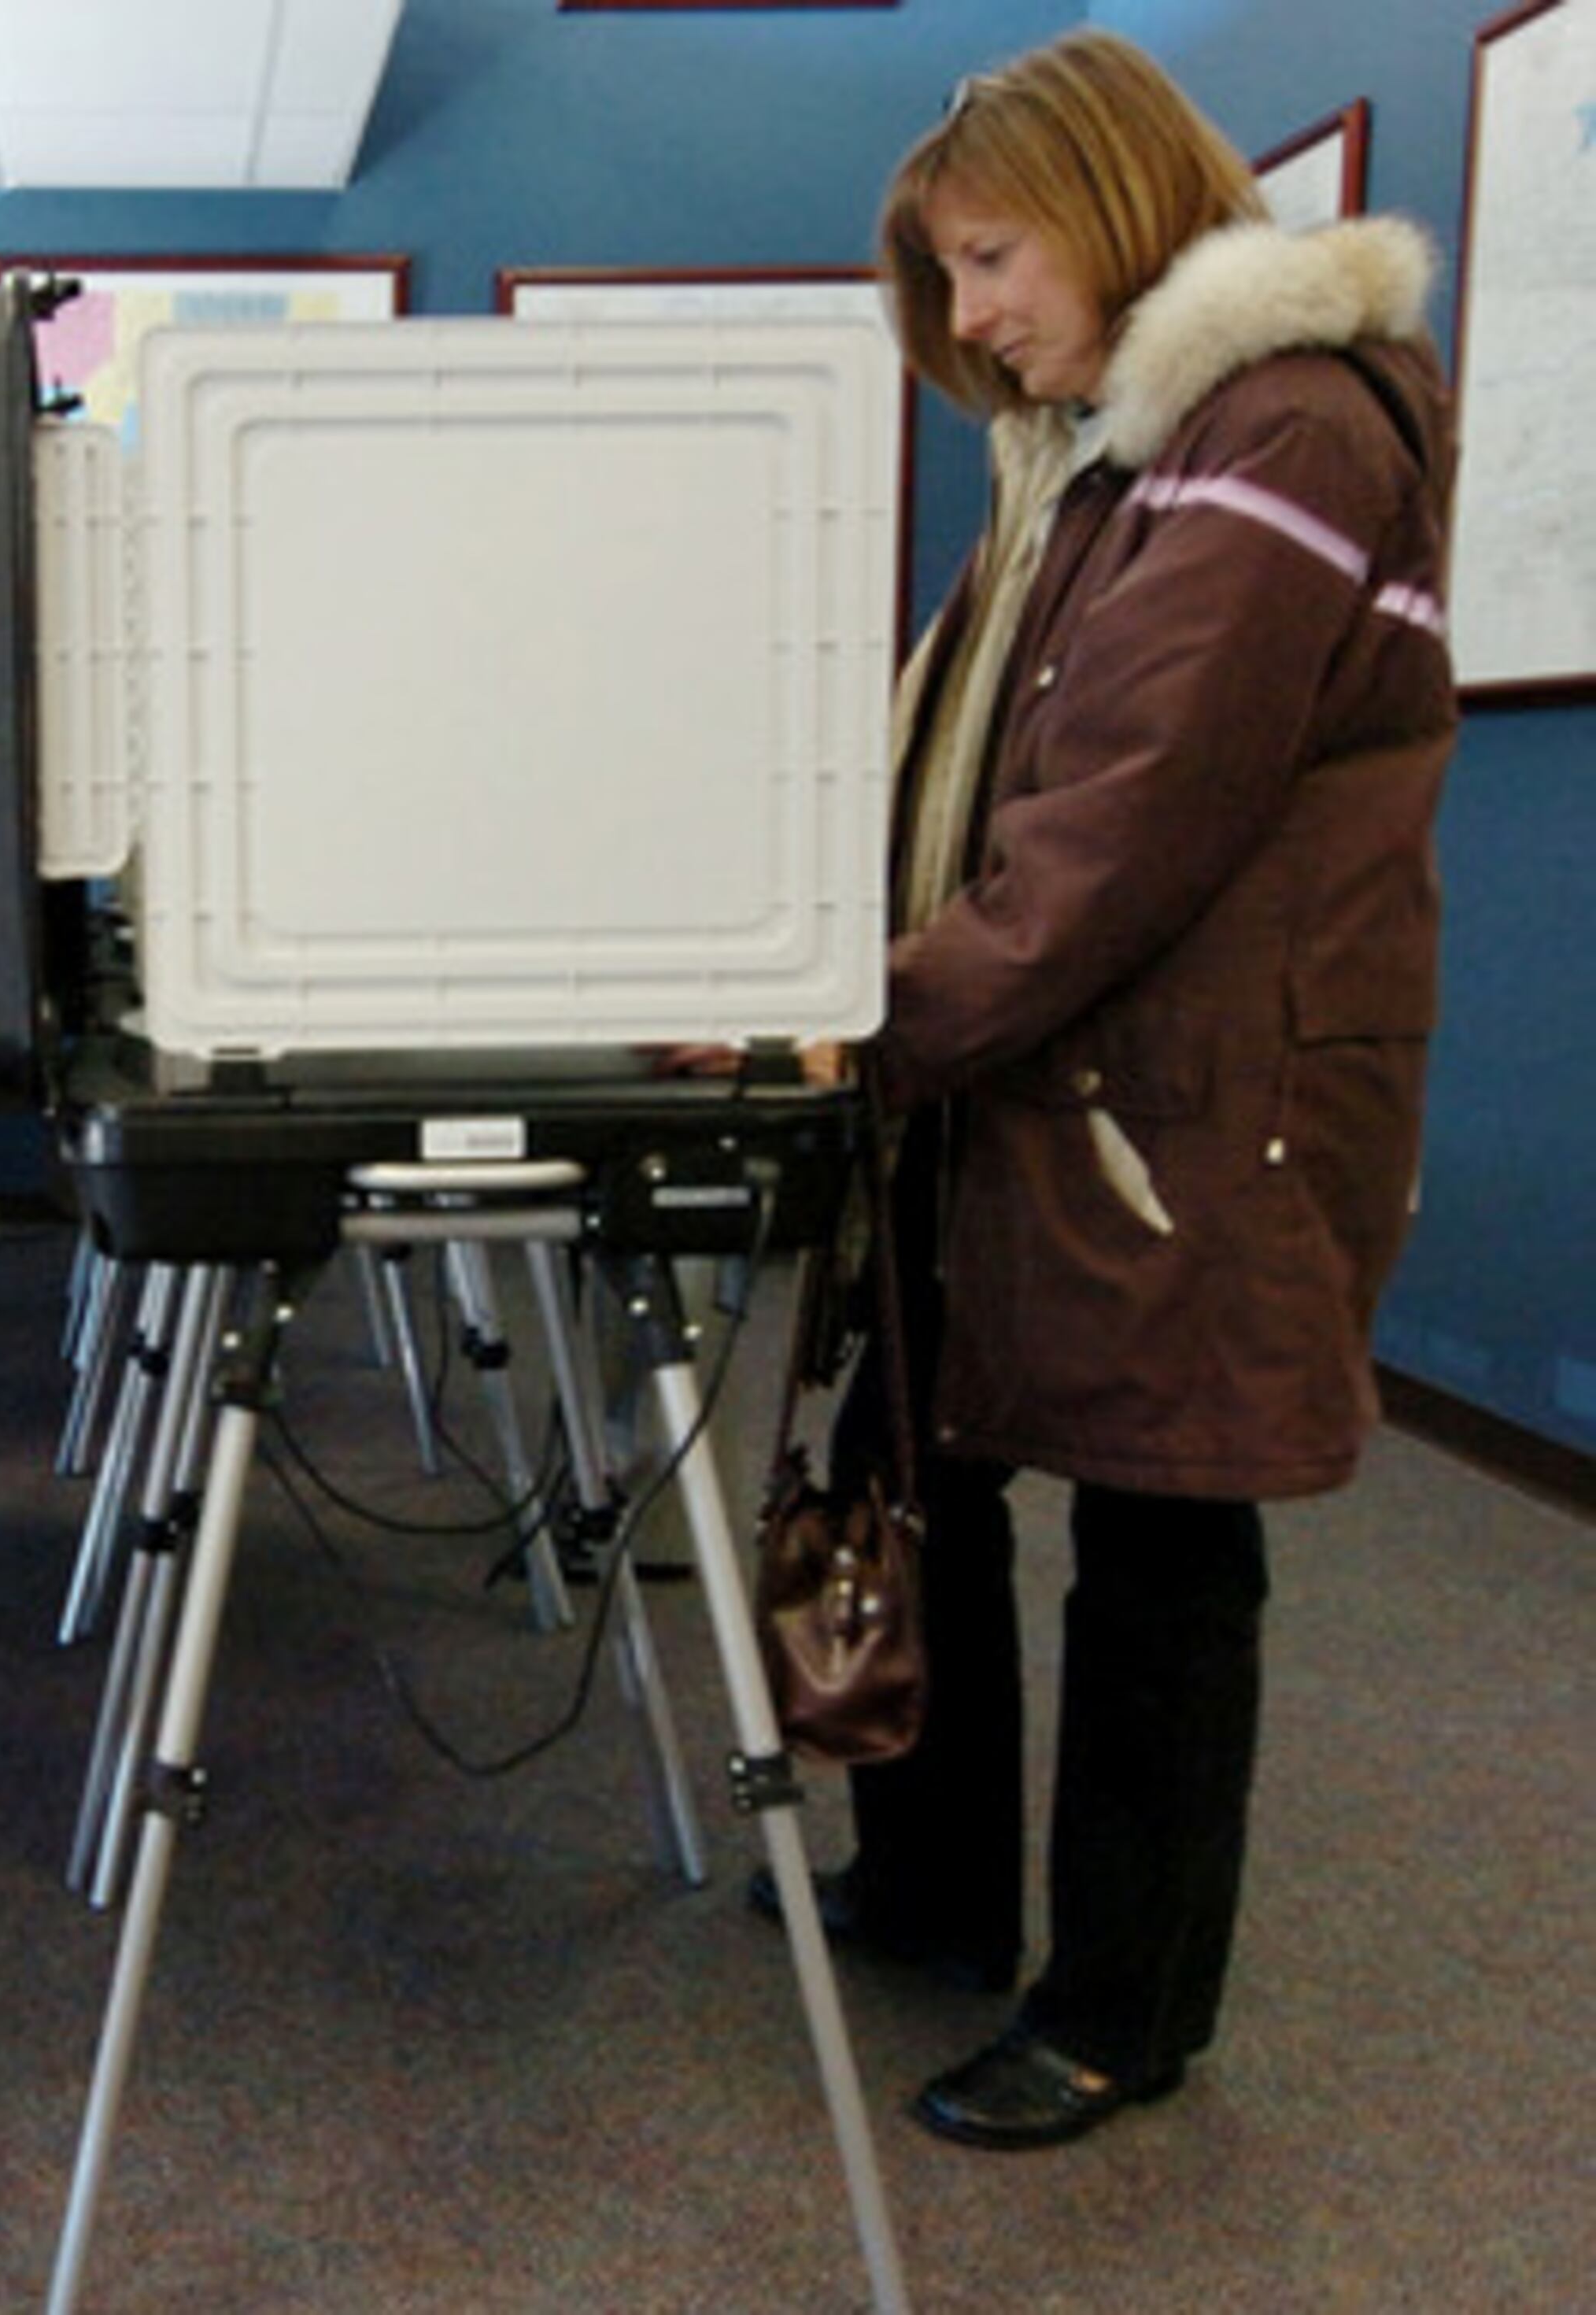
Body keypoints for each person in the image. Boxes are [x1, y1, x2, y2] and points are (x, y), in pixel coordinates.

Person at [767, 29, 1456, 2152]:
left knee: (1166, 1541)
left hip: (1197, 1093)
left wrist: (864, 1016)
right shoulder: (1104, 452)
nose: (966, 321)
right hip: (1064, 1068)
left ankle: (1120, 2016)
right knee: (940, 1461)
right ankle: (939, 1886)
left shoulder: (1280, 429)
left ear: (1113, 198)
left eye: (989, 257)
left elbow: (1129, 814)